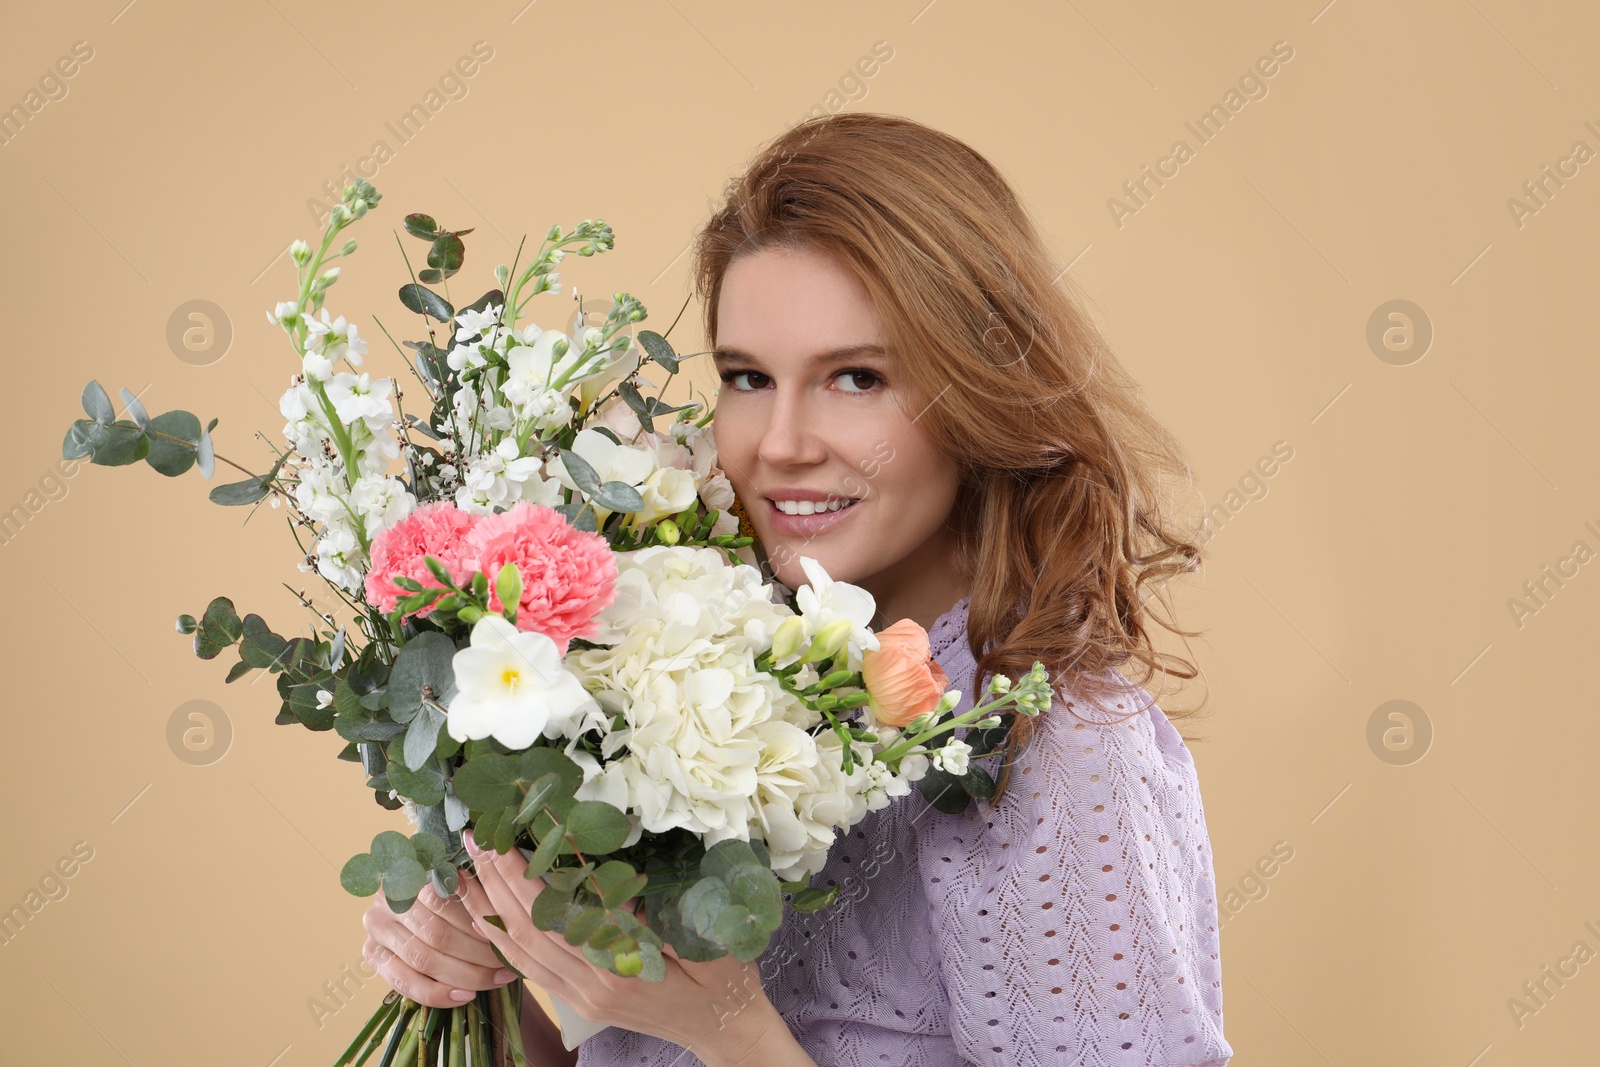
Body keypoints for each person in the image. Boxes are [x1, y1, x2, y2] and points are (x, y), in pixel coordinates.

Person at [362, 111, 1235, 1067]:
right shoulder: (691, 667)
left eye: (855, 378)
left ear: (980, 388)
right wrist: (496, 968)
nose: (779, 444)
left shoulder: (1057, 746)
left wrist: (732, 1032)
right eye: (747, 376)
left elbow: (706, 1036)